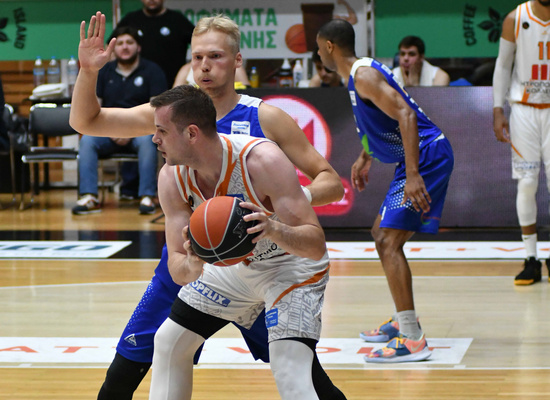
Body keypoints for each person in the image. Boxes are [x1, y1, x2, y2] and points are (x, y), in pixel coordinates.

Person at [71, 12, 346, 399]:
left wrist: (280, 210)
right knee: (128, 367)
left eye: (215, 56)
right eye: (197, 57)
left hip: (260, 259)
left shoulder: (264, 118)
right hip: (193, 259)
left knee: (300, 374)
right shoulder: (168, 116)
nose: (204, 66)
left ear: (236, 61)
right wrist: (88, 71)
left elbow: (331, 182)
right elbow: (87, 121)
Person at [316, 19, 454, 363]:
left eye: (319, 48)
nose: (319, 55)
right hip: (418, 156)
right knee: (381, 233)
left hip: (427, 156)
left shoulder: (363, 75)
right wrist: (366, 156)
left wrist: (412, 174)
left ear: (330, 47)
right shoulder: (359, 75)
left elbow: (406, 115)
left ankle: (412, 337)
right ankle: (403, 316)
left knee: (388, 241)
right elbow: (381, 120)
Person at [72, 25, 167, 215]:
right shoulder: (104, 71)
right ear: (113, 48)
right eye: (120, 43)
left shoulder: (153, 70)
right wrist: (113, 131)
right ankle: (89, 196)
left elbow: (158, 111)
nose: (124, 47)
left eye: (130, 43)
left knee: (149, 141)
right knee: (88, 141)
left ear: (138, 47)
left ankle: (147, 196)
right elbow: (92, 108)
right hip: (108, 129)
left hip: (141, 130)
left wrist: (130, 131)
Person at [493, 0, 550, 285]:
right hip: (524, 110)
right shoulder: (516, 17)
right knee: (527, 182)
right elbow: (503, 65)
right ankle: (531, 258)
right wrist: (497, 109)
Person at [115, 0, 195, 86]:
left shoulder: (178, 20)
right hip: (138, 87)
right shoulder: (131, 20)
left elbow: (200, 43)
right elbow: (111, 45)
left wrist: (188, 68)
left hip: (174, 85)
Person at [173, 61, 250, 88]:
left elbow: (247, 93)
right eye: (198, 57)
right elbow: (174, 98)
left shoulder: (234, 67)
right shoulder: (186, 69)